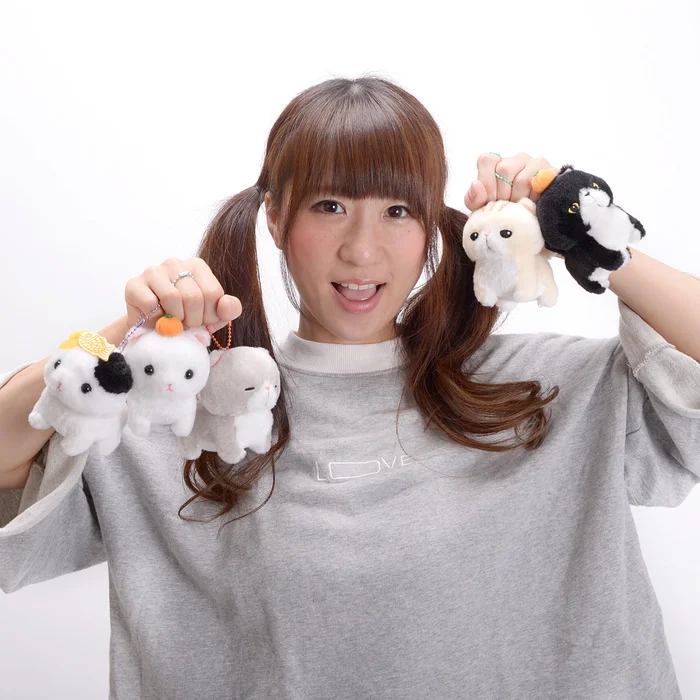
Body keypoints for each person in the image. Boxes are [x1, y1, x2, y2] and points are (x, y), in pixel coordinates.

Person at [1, 75, 699, 700]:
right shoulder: (187, 411)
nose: (362, 249)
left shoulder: (544, 389)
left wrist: (590, 234)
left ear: (432, 227)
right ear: (276, 218)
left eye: (398, 211)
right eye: (329, 205)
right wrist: (116, 338)